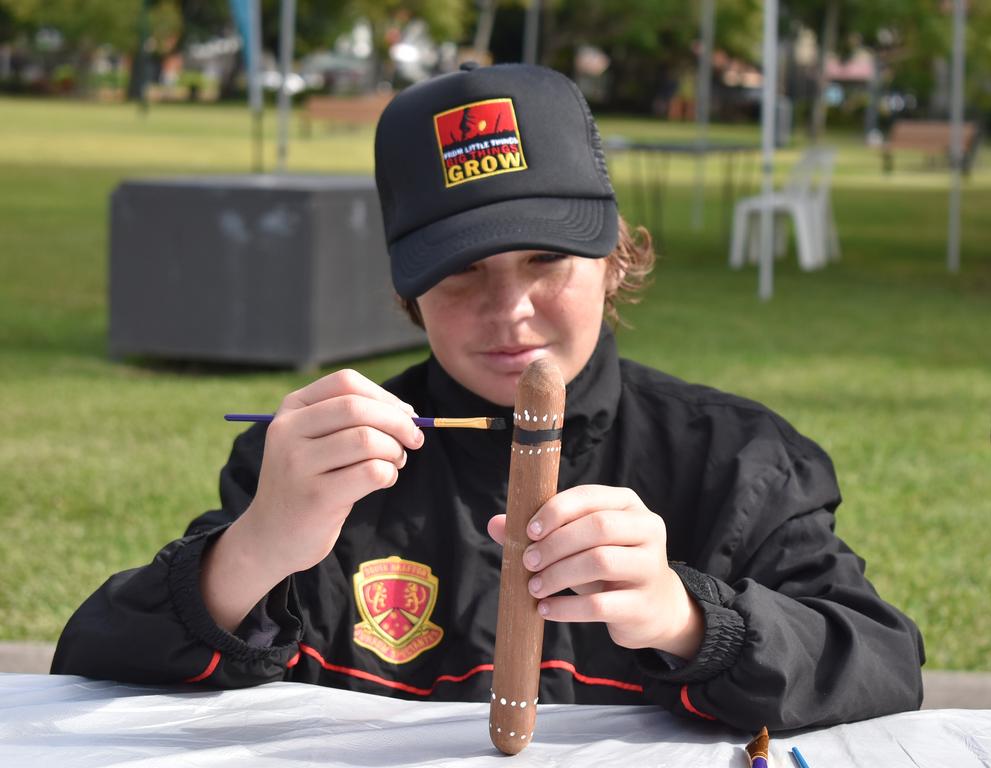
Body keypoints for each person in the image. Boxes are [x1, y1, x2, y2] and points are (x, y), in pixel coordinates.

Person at [52, 63, 924, 731]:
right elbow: (88, 671)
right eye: (462, 273)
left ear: (617, 256)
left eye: (547, 259)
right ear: (408, 295)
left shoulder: (737, 461)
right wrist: (253, 552)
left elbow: (884, 663)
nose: (510, 312)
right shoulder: (324, 466)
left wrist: (689, 617)